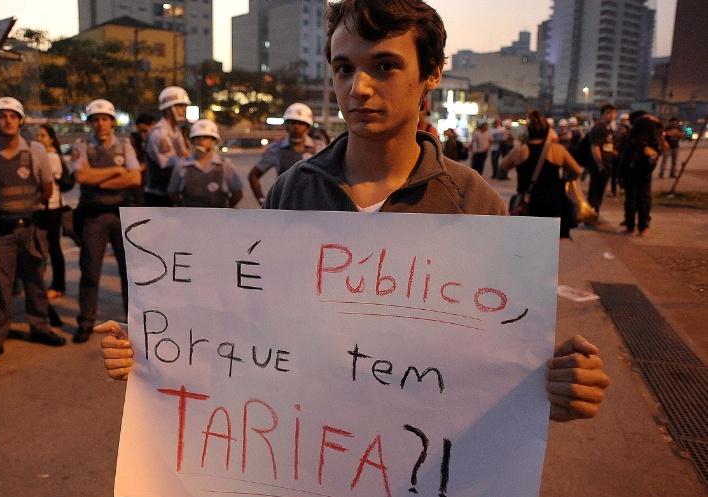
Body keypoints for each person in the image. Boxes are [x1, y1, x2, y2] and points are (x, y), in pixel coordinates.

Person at [101, 0, 609, 423]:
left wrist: (558, 388)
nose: (358, 87)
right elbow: (251, 335)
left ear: (431, 73)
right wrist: (157, 354)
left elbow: (500, 364)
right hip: (302, 453)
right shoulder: (294, 192)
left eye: (385, 66)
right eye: (344, 68)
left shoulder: (474, 204)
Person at [0, 97, 67, 368]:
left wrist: (27, 209)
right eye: (2, 116)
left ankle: (40, 328)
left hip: (29, 228)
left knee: (36, 281)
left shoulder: (35, 150)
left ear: (21, 121)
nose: (8, 120)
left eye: (13, 116)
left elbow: (46, 187)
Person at [70, 99, 142, 343]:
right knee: (90, 272)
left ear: (112, 122)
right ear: (90, 122)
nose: (100, 123)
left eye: (105, 119)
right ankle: (85, 322)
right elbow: (81, 176)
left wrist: (98, 181)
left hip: (122, 215)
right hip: (94, 216)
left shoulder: (124, 145)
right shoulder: (82, 146)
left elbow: (135, 178)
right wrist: (116, 172)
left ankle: (132, 322)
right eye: (96, 119)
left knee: (128, 273)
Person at [500, 111, 583, 239]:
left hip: (528, 203)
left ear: (528, 132)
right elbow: (577, 171)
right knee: (549, 240)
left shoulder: (520, 151)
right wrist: (565, 180)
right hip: (552, 203)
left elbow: (503, 167)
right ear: (547, 131)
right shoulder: (557, 150)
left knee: (528, 239)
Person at [248, 103, 327, 204]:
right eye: (292, 122)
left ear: (308, 126)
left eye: (301, 123)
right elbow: (253, 175)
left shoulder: (319, 148)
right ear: (286, 125)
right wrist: (262, 201)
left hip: (312, 205)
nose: (296, 126)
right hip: (284, 204)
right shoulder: (276, 148)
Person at [168, 119, 244, 208]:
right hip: (191, 215)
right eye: (197, 137)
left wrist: (226, 210)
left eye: (206, 137)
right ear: (192, 141)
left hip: (217, 215)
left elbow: (238, 193)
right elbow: (172, 192)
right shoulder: (182, 165)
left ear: (214, 140)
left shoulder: (225, 165)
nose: (201, 141)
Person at [36, 124, 69, 300]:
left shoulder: (51, 157)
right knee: (46, 246)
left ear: (51, 139)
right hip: (46, 207)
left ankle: (58, 285)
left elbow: (47, 182)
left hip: (51, 207)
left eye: (43, 135)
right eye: (37, 135)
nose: (39, 138)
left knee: (53, 247)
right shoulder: (43, 155)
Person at [144, 86, 192, 207]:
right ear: (168, 108)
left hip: (172, 193)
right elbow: (171, 167)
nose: (184, 109)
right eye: (179, 106)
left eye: (184, 106)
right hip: (160, 196)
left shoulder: (176, 130)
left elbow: (185, 155)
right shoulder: (160, 134)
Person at [619, 115, 666, 237]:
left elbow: (624, 157)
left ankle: (630, 228)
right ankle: (642, 229)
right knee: (644, 200)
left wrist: (621, 175)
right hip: (646, 174)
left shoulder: (632, 139)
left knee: (631, 200)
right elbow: (661, 131)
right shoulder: (654, 141)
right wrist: (656, 120)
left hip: (631, 173)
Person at [586, 104, 618, 223]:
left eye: (613, 113)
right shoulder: (598, 129)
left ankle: (594, 215)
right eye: (608, 113)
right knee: (595, 192)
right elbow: (595, 148)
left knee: (600, 192)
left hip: (607, 165)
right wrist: (600, 165)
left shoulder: (609, 129)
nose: (611, 115)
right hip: (598, 167)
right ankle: (590, 217)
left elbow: (606, 146)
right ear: (602, 115)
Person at [128, 112, 158, 207]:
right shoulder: (136, 141)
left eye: (145, 131)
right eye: (140, 132)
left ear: (154, 124)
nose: (143, 135)